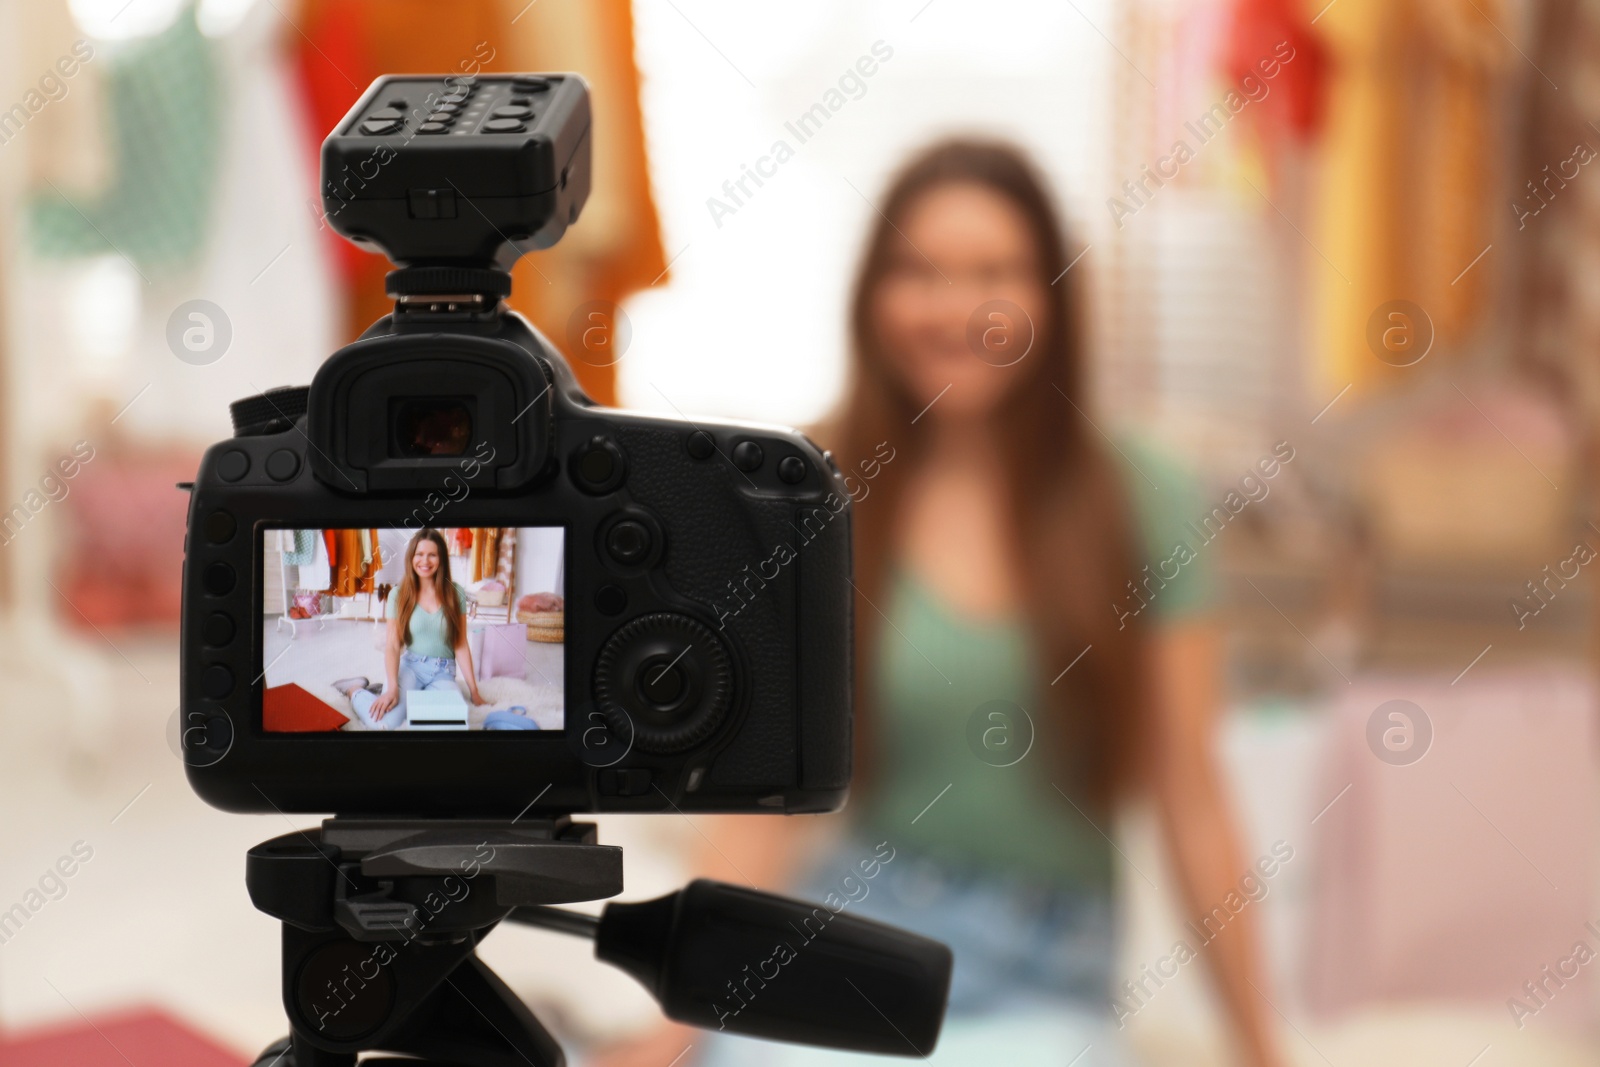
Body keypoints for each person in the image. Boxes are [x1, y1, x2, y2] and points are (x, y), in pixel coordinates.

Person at [592, 140, 1286, 1066]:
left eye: (993, 272)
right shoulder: (803, 490)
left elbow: (1193, 798)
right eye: (921, 271)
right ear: (875, 294)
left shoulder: (1143, 497)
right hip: (842, 940)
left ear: (1052, 298)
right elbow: (763, 812)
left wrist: (1263, 1047)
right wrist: (674, 1027)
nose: (956, 307)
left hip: (1047, 966)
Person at [336, 528, 488, 729]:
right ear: (411, 558)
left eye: (432, 555)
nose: (425, 561)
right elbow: (392, 644)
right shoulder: (398, 595)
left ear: (441, 558)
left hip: (443, 672)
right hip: (411, 668)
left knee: (452, 724)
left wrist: (474, 692)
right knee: (382, 724)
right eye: (420, 554)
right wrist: (391, 688)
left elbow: (460, 643)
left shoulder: (455, 592)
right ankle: (354, 690)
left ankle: (412, 699)